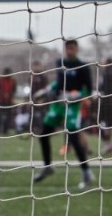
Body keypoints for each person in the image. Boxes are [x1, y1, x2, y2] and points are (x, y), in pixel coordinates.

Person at [32, 39, 93, 189]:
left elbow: (89, 89)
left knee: (73, 137)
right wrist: (46, 91)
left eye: (72, 48)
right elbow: (58, 83)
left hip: (72, 105)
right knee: (44, 133)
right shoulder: (60, 62)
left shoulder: (83, 66)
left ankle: (86, 172)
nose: (69, 51)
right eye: (67, 48)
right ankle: (48, 167)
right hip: (58, 104)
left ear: (77, 49)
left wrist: (76, 95)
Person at [0, 68, 17, 135]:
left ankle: (6, 130)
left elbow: (14, 90)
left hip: (9, 101)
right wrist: (3, 94)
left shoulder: (13, 81)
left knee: (8, 116)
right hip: (1, 101)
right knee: (0, 116)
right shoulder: (0, 80)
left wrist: (9, 94)